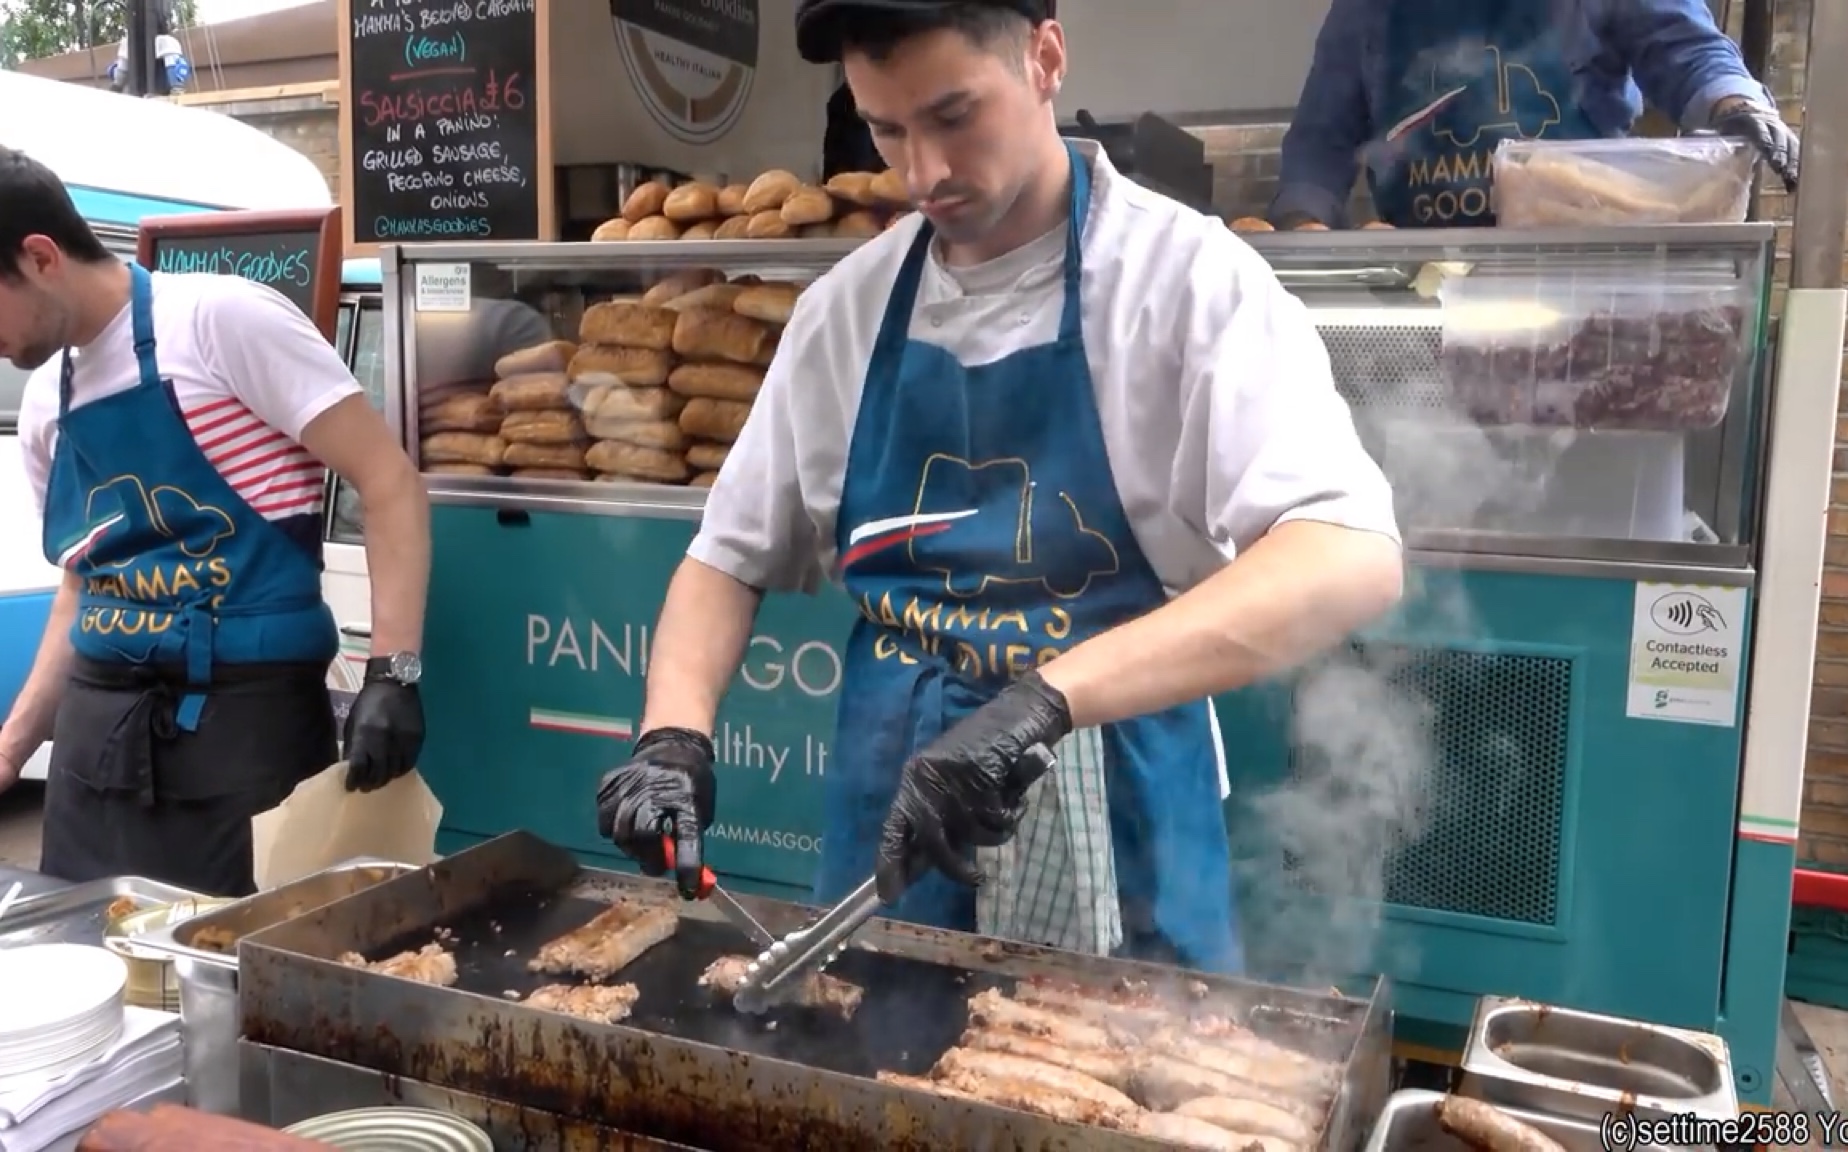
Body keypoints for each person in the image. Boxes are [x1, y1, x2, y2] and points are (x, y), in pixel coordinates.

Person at [594, 0, 1404, 974]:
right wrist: (671, 736)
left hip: (1126, 813)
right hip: (895, 833)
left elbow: (1349, 554)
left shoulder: (1187, 285)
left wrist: (1043, 701)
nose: (923, 173)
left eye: (953, 116)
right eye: (886, 130)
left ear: (1046, 58)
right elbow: (726, 558)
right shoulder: (843, 314)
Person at [0, 146, 431, 897]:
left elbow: (387, 480)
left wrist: (393, 674)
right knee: (92, 970)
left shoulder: (219, 322)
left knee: (239, 984)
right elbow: (82, 585)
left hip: (243, 734)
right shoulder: (44, 403)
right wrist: (13, 746)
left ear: (39, 257)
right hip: (92, 746)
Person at [1272, 0, 1800, 230]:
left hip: (1580, 275)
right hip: (1423, 286)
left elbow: (1687, 48)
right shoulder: (1366, 7)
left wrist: (1738, 104)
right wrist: (1302, 226)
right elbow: (1322, 138)